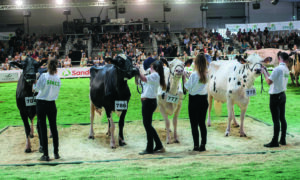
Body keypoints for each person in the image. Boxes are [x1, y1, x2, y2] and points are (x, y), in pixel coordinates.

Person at [33, 58, 61, 161]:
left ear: (47, 66)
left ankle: (46, 154)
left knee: (43, 128)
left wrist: (35, 81)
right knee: (54, 128)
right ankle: (56, 153)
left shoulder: (44, 76)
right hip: (52, 104)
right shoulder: (58, 79)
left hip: (41, 104)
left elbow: (36, 89)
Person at [137, 60, 166, 155]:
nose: (150, 67)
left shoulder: (155, 75)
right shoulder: (154, 76)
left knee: (147, 125)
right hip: (149, 102)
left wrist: (138, 71)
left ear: (155, 68)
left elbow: (144, 79)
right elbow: (142, 81)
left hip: (149, 102)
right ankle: (158, 145)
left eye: (151, 66)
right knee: (148, 125)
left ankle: (150, 147)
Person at [261, 52, 289, 148]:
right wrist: (266, 71)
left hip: (275, 96)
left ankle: (275, 141)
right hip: (282, 95)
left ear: (279, 58)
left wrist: (264, 73)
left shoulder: (278, 69)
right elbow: (273, 78)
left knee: (276, 120)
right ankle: (283, 139)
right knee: (282, 118)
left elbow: (269, 81)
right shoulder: (286, 69)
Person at [183, 54, 208, 152]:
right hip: (204, 100)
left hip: (194, 100)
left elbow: (187, 87)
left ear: (196, 63)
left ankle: (196, 145)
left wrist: (184, 78)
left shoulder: (194, 74)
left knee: (194, 124)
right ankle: (203, 145)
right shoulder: (207, 74)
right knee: (202, 123)